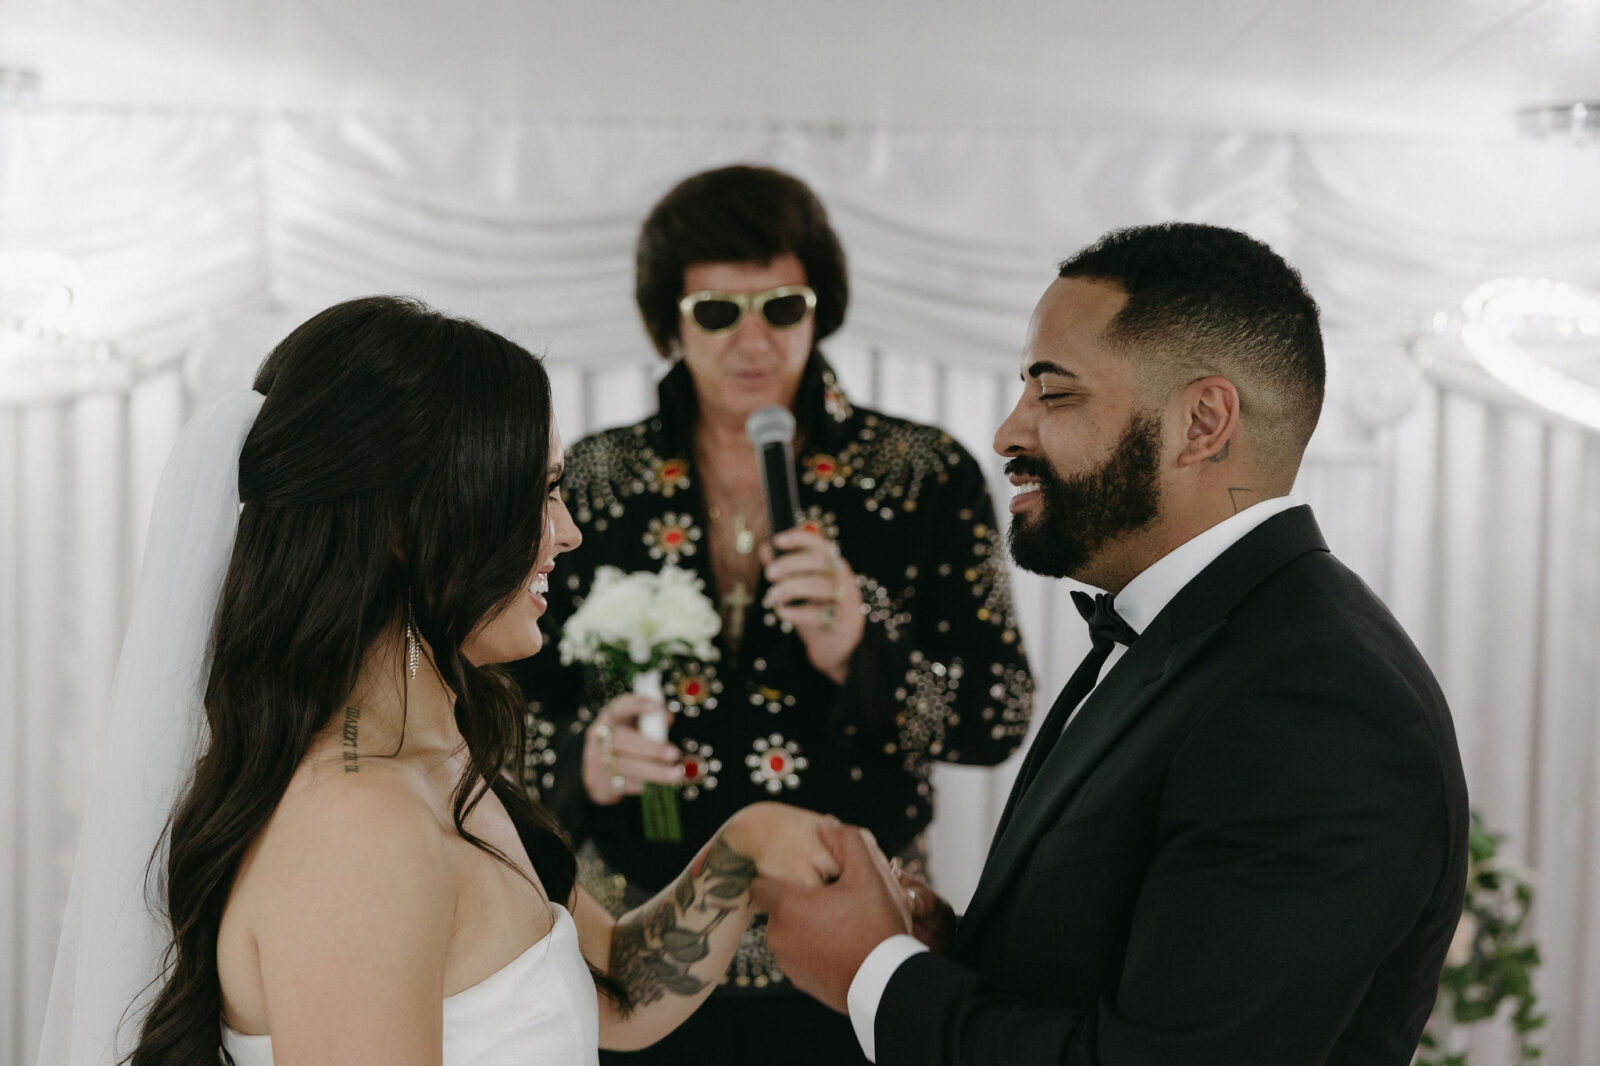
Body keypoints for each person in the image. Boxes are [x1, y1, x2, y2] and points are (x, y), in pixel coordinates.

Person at [35, 296, 844, 1066]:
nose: (567, 533)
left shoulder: (442, 760)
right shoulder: (360, 828)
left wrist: (749, 842)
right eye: (537, 492)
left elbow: (616, 992)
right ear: (405, 527)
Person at [753, 223, 1471, 1065]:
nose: (1008, 434)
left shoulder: (1318, 700)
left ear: (1201, 422)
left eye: (1053, 394)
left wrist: (875, 974)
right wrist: (954, 955)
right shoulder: (1194, 634)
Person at [507, 164, 1034, 1065]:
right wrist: (584, 758)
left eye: (782, 308)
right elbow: (495, 705)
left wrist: (864, 652)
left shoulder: (922, 473)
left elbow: (1000, 712)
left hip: (852, 948)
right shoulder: (589, 479)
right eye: (718, 312)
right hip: (633, 944)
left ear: (819, 309)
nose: (752, 340)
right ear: (668, 319)